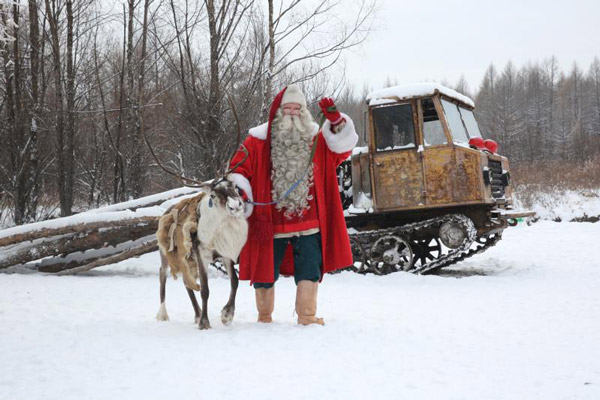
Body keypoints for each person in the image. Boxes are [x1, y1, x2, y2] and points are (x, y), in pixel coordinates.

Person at [228, 84, 358, 325]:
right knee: (264, 272)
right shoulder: (257, 141)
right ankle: (264, 316)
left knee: (310, 268)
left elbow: (340, 153)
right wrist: (240, 191)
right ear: (277, 111)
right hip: (270, 223)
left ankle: (307, 316)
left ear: (304, 111)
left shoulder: (316, 139)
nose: (292, 113)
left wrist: (337, 123)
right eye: (287, 108)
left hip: (308, 222)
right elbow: (238, 169)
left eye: (297, 108)